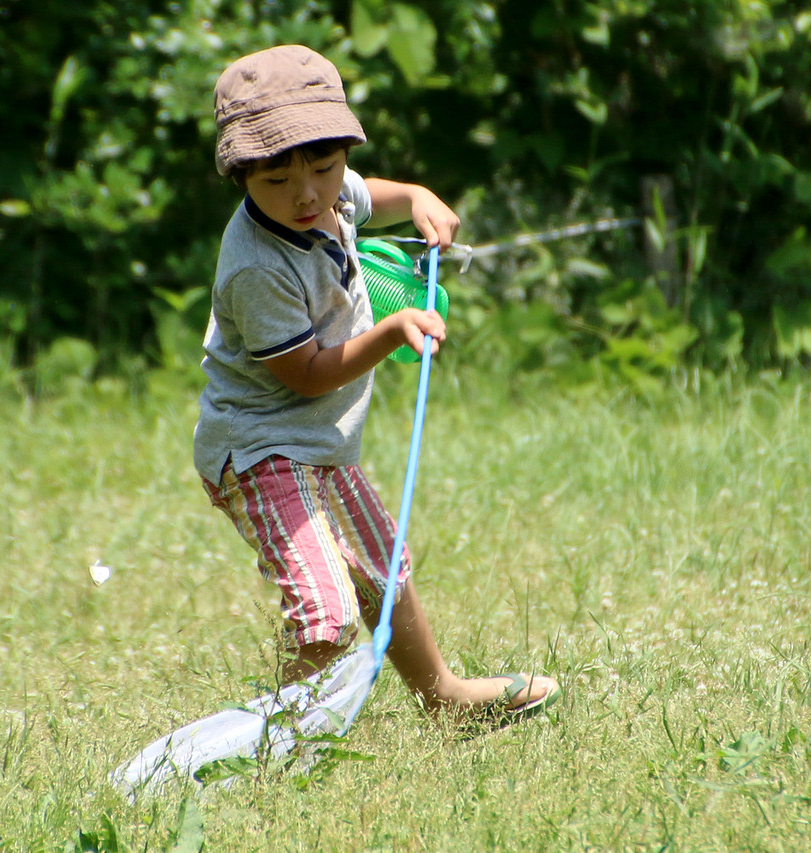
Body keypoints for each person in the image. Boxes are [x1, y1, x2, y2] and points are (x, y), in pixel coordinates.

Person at [194, 44, 560, 726]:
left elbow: (372, 195)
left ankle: (442, 696)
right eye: (277, 180)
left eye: (325, 169)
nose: (306, 194)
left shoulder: (329, 196)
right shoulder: (255, 266)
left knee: (382, 567)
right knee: (327, 613)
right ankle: (278, 740)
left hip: (319, 443)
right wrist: (391, 331)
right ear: (241, 174)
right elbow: (304, 375)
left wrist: (419, 197)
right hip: (260, 450)